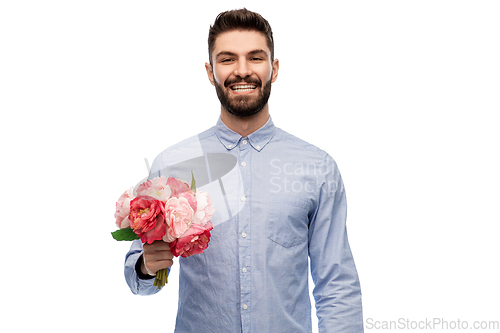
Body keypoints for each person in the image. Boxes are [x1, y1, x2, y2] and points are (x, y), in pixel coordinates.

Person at [124, 8, 363, 332]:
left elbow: (336, 285)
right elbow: (139, 279)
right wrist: (147, 267)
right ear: (210, 72)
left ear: (273, 68)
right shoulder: (172, 166)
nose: (242, 71)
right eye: (227, 59)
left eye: (255, 58)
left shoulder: (317, 168)